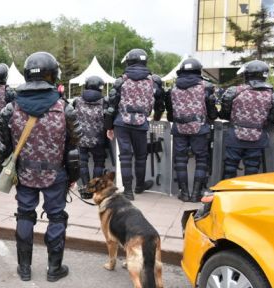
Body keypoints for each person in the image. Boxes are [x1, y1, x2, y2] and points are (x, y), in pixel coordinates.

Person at [0, 51, 80, 282]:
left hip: (24, 172)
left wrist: (1, 174)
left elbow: (3, 145)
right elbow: (74, 147)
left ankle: (24, 268)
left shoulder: (10, 109)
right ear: (52, 75)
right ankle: (54, 269)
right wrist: (73, 176)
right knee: (56, 217)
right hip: (56, 173)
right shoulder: (65, 108)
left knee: (24, 215)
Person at [104, 48, 165, 200]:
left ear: (129, 61)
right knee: (141, 156)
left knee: (125, 157)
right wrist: (156, 118)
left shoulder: (121, 81)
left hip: (121, 123)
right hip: (141, 123)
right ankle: (139, 186)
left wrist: (109, 127)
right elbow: (160, 104)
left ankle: (128, 191)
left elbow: (111, 106)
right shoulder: (154, 81)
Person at [164, 58, 218, 202]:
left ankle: (184, 193)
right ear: (198, 70)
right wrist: (211, 117)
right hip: (200, 129)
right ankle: (196, 194)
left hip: (179, 129)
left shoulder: (173, 88)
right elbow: (212, 110)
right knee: (201, 160)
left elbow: (170, 112)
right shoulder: (206, 86)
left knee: (180, 161)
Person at [219, 60, 274, 179]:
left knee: (230, 167)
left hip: (235, 135)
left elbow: (224, 113)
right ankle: (248, 195)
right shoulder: (273, 94)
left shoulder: (234, 91)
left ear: (247, 74)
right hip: (258, 136)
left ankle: (226, 194)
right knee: (252, 169)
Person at [73, 75, 107, 198]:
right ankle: (95, 188)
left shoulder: (77, 100)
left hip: (80, 137)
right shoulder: (104, 101)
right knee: (99, 163)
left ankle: (86, 190)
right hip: (98, 138)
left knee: (82, 163)